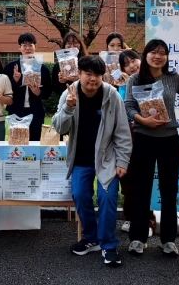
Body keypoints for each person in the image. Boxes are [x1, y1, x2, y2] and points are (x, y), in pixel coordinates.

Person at [52, 55, 132, 267]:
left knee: (107, 198)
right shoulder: (69, 94)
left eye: (97, 74)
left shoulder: (111, 95)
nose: (93, 79)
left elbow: (123, 131)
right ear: (80, 74)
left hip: (107, 157)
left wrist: (122, 161)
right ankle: (91, 238)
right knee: (80, 194)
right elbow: (59, 128)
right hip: (81, 157)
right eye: (88, 74)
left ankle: (108, 245)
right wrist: (69, 107)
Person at [123, 39, 179, 256]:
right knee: (141, 189)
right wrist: (142, 120)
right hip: (143, 137)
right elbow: (128, 105)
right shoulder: (135, 79)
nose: (158, 56)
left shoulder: (172, 78)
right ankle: (138, 238)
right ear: (146, 54)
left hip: (168, 139)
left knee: (168, 190)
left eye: (163, 53)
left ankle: (168, 240)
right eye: (154, 52)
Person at [115, 49, 156, 239]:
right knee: (127, 179)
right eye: (126, 64)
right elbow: (123, 107)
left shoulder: (152, 80)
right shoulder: (119, 86)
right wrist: (122, 86)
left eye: (134, 61)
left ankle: (147, 220)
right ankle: (131, 218)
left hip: (145, 135)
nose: (131, 66)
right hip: (125, 137)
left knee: (142, 180)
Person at [3, 33, 53, 141]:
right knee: (17, 143)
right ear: (19, 48)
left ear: (36, 47)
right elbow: (5, 91)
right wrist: (15, 81)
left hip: (36, 112)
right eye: (24, 45)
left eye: (30, 45)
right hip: (16, 112)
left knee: (35, 143)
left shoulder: (42, 69)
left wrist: (38, 92)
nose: (27, 48)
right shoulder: (10, 67)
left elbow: (48, 92)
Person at [51, 31, 89, 98]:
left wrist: (78, 79)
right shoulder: (59, 65)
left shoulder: (87, 63)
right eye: (69, 43)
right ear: (64, 46)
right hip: (66, 101)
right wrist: (61, 82)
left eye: (75, 43)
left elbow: (93, 83)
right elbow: (55, 89)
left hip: (85, 99)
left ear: (80, 45)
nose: (72, 46)